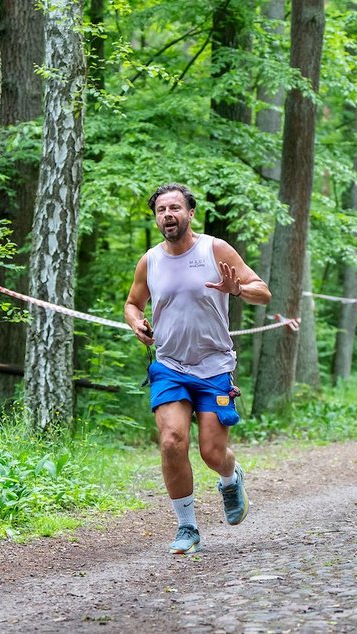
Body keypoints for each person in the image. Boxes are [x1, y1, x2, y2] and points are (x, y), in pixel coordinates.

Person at [124, 183, 271, 554]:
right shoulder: (150, 260)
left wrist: (236, 289)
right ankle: (187, 527)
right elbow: (132, 303)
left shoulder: (214, 249)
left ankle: (229, 476)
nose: (168, 215)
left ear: (190, 212)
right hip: (170, 366)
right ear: (156, 217)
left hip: (214, 366)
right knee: (172, 441)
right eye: (161, 210)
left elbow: (263, 291)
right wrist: (136, 322)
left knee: (211, 452)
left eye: (175, 207)